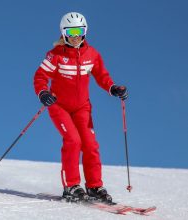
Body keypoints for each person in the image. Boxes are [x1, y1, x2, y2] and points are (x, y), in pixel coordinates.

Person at [33, 12, 128, 203]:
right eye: (71, 32)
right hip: (59, 106)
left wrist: (113, 87)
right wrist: (43, 93)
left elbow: (102, 76)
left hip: (82, 108)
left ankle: (94, 186)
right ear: (63, 33)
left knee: (91, 145)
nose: (75, 36)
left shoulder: (91, 54)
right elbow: (40, 76)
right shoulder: (55, 55)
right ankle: (71, 186)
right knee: (73, 141)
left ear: (85, 32)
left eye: (79, 31)